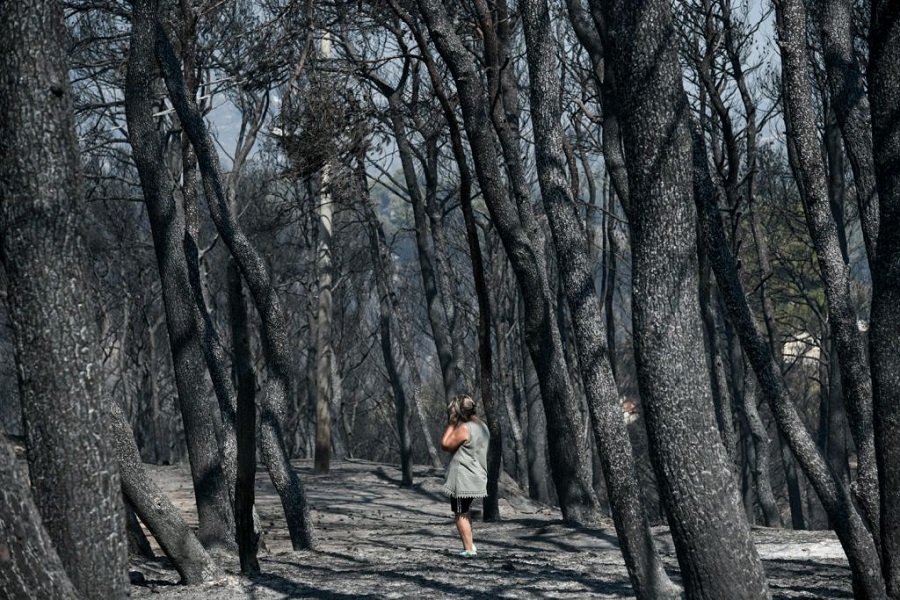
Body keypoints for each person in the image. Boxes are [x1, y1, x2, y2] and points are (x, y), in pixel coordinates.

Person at [441, 394, 490, 557]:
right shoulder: (483, 426)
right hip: (477, 474)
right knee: (465, 511)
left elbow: (445, 445)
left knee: (460, 513)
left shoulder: (465, 428)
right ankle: (471, 545)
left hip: (463, 477)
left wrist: (451, 424)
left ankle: (469, 550)